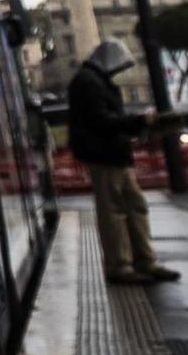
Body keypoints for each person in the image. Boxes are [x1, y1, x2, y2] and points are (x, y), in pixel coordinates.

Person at [67, 38, 179, 285]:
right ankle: (121, 265)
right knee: (116, 210)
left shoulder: (92, 80)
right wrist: (139, 122)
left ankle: (142, 260)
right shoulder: (89, 83)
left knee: (132, 206)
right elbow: (101, 120)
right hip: (105, 155)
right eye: (119, 66)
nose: (120, 71)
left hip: (114, 154)